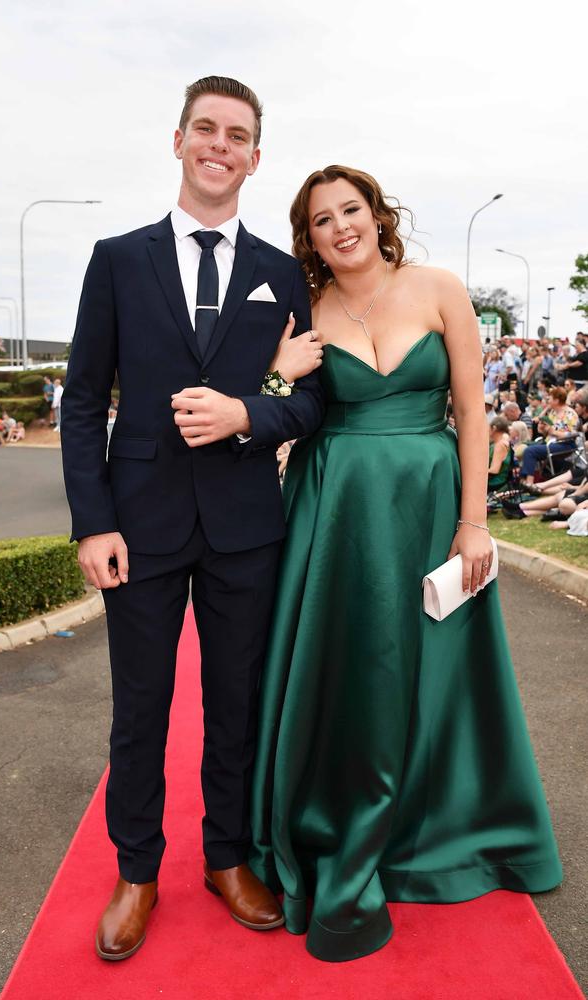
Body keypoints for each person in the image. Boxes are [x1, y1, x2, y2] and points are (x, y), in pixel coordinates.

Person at [249, 165, 562, 962]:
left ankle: (450, 826)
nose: (340, 227)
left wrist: (473, 520)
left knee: (436, 666)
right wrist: (280, 369)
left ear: (376, 214)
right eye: (322, 220)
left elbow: (470, 406)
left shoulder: (438, 288)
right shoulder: (305, 311)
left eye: (350, 209)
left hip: (429, 509)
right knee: (348, 666)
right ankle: (333, 813)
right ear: (309, 238)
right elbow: (274, 405)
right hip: (334, 512)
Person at [60, 76, 324, 962]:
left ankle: (227, 858)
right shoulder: (118, 258)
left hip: (248, 526)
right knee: (141, 709)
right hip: (137, 527)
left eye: (238, 134)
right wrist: (92, 523)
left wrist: (253, 408)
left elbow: (310, 403)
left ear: (257, 156)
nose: (220, 145)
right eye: (205, 129)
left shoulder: (283, 276)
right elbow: (84, 397)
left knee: (237, 706)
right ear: (178, 141)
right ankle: (137, 872)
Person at [519, 386, 580, 487]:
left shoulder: (570, 414)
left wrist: (553, 432)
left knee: (530, 451)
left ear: (556, 400)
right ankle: (523, 480)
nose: (547, 401)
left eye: (550, 399)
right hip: (551, 442)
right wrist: (543, 429)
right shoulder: (553, 412)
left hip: (565, 444)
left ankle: (529, 483)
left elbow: (573, 434)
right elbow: (547, 432)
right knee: (525, 446)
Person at [487, 415, 512, 491]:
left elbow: (494, 470)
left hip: (495, 483)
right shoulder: (501, 442)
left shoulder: (500, 445)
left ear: (494, 428)